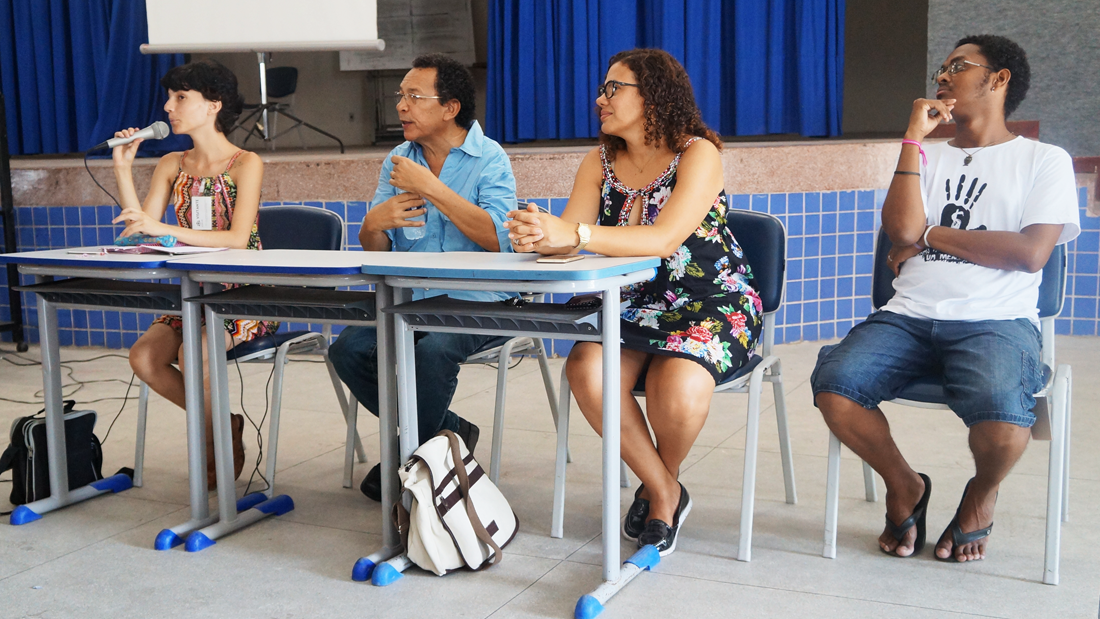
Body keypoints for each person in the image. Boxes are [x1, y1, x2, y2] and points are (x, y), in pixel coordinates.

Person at [810, 35, 1080, 562]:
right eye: (942, 67)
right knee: (836, 387)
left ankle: (980, 494)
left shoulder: (1044, 160)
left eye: (958, 66)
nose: (942, 76)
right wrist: (912, 138)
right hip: (906, 317)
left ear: (999, 79)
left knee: (1005, 424)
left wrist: (930, 236)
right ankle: (905, 485)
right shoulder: (926, 155)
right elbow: (900, 230)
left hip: (997, 320)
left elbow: (1029, 254)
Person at [505, 48, 762, 555]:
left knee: (676, 385)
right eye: (602, 89)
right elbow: (571, 238)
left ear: (654, 96)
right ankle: (665, 489)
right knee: (586, 368)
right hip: (630, 300)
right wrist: (538, 234)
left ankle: (658, 486)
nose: (600, 99)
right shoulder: (598, 162)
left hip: (711, 301)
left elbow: (663, 239)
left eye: (613, 88)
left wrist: (573, 233)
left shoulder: (698, 154)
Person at [328, 54, 517, 502]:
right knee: (348, 349)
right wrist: (372, 224)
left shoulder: (489, 158)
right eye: (401, 96)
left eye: (414, 97)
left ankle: (407, 456)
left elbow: (497, 239)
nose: (401, 106)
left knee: (432, 351)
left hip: (480, 299)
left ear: (450, 108)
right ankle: (448, 432)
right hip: (413, 300)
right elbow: (377, 252)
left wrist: (432, 187)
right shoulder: (398, 159)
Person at [118, 59, 272, 488]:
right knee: (144, 357)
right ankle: (224, 426)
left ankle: (212, 450)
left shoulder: (246, 162)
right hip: (195, 296)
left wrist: (166, 231)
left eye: (181, 97)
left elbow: (238, 239)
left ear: (213, 105)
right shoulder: (172, 163)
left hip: (245, 295)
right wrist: (123, 168)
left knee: (193, 353)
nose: (169, 106)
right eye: (170, 97)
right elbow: (140, 232)